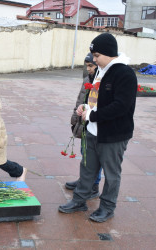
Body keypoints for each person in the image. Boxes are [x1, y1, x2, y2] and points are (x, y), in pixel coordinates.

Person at [58, 33, 137, 223]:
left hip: (113, 135)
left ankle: (107, 207)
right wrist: (85, 107)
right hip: (92, 131)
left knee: (111, 174)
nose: (94, 59)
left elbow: (121, 106)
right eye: (93, 55)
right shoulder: (101, 70)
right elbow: (95, 98)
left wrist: (92, 115)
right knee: (87, 168)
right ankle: (79, 201)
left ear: (109, 54)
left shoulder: (124, 73)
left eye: (97, 55)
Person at [65, 53, 102, 200]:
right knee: (85, 154)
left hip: (95, 122)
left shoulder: (101, 82)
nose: (88, 69)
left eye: (91, 66)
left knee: (95, 157)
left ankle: (94, 185)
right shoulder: (87, 79)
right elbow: (80, 99)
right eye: (87, 66)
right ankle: (84, 180)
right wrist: (75, 117)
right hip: (84, 121)